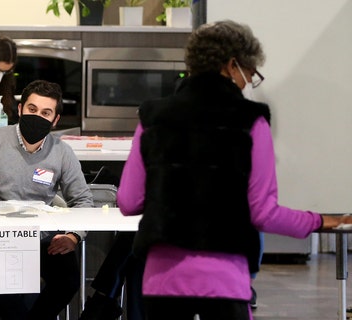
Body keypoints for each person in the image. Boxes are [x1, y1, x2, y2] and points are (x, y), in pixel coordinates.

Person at [115, 20, 351, 320]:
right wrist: (322, 221)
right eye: (249, 75)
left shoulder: (152, 116)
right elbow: (263, 213)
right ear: (231, 65)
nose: (246, 84)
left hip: (162, 279)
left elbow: (128, 201)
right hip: (224, 280)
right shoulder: (251, 120)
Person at [0, 80, 94, 320]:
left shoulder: (62, 152)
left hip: (43, 238)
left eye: (46, 113)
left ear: (56, 120)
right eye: (32, 109)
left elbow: (83, 200)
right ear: (20, 109)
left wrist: (73, 235)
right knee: (0, 289)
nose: (37, 116)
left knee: (67, 281)